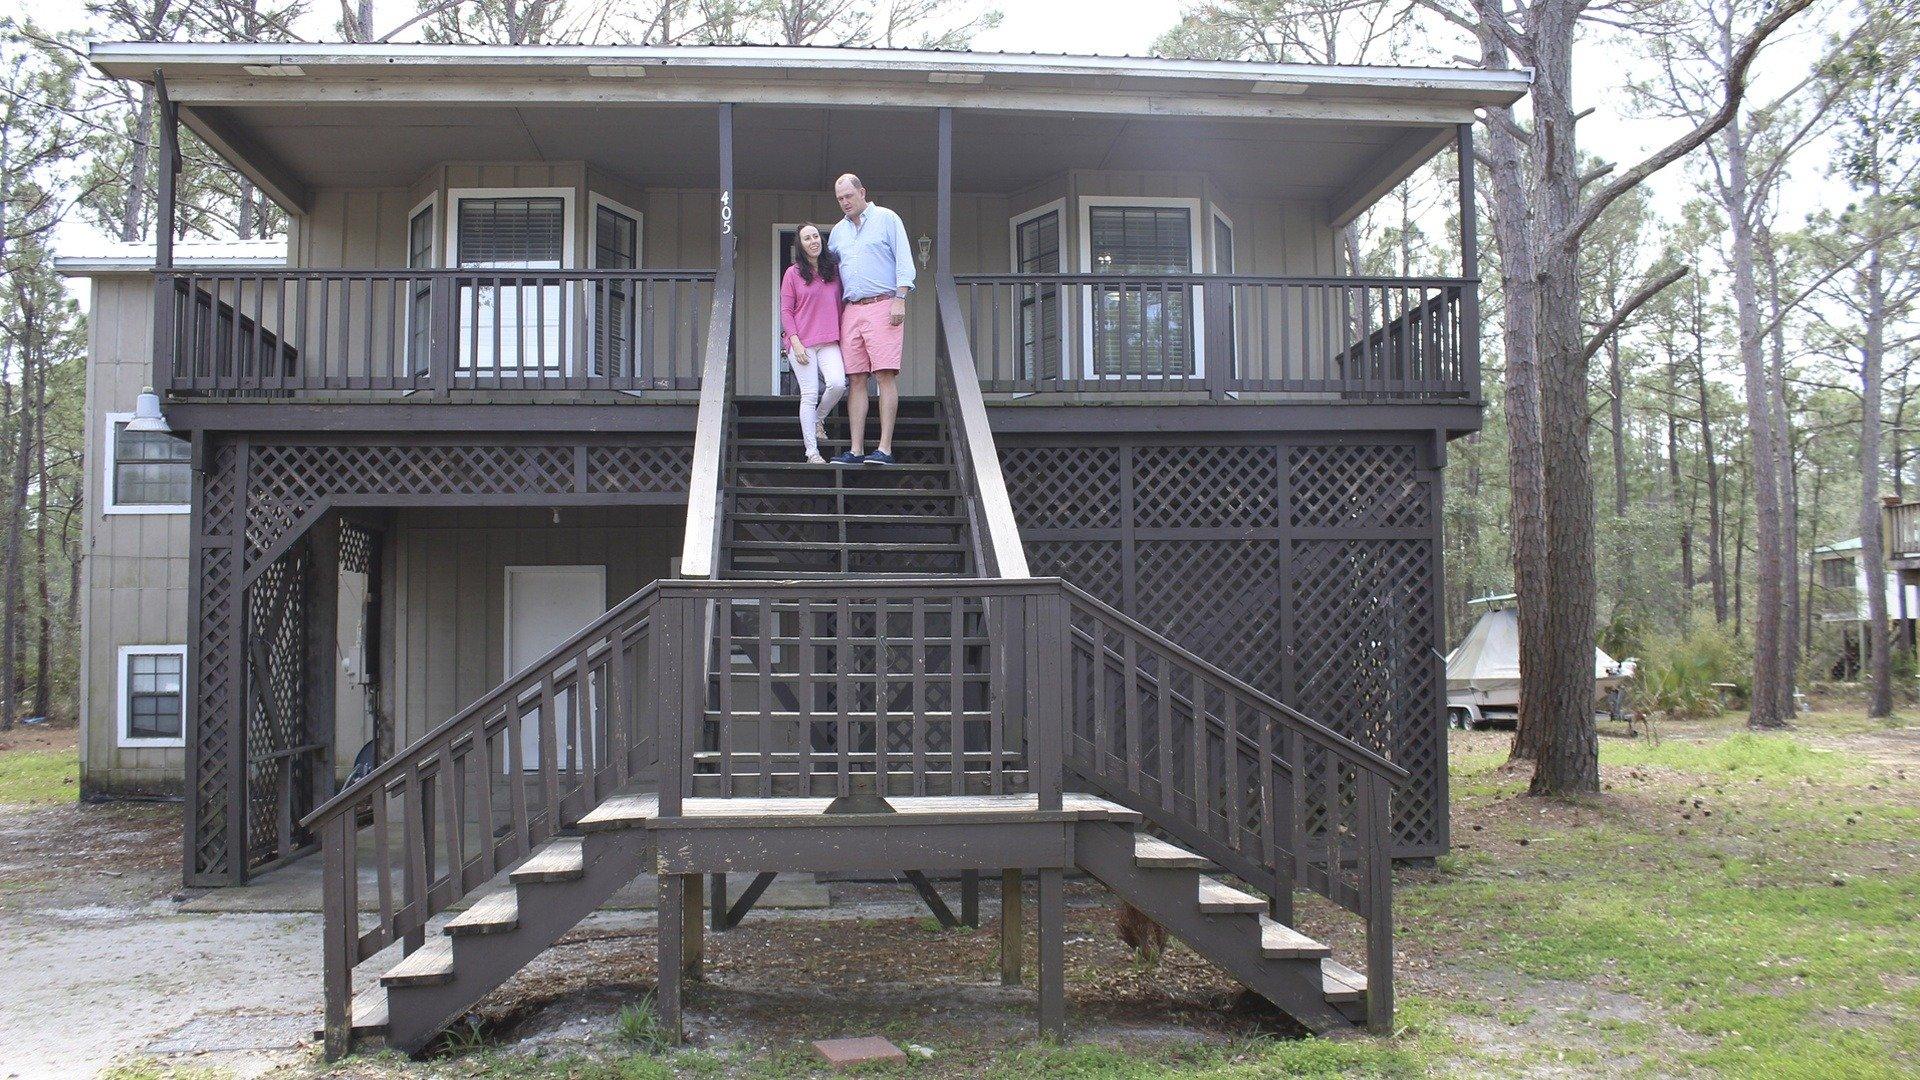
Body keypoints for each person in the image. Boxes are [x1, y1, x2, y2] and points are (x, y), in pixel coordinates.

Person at [826, 172, 915, 466]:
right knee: (855, 378)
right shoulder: (838, 232)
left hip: (883, 303)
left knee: (884, 374)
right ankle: (856, 449)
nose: (844, 203)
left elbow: (904, 260)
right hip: (851, 309)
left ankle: (885, 449)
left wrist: (900, 299)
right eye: (840, 199)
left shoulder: (887, 219)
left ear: (862, 192)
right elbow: (830, 276)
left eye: (848, 196)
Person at [779, 223, 846, 463]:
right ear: (801, 245)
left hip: (829, 339)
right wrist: (794, 342)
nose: (813, 241)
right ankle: (812, 452)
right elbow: (786, 311)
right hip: (802, 341)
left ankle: (819, 418)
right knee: (809, 392)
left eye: (816, 236)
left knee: (838, 384)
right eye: (807, 238)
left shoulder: (834, 270)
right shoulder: (793, 273)